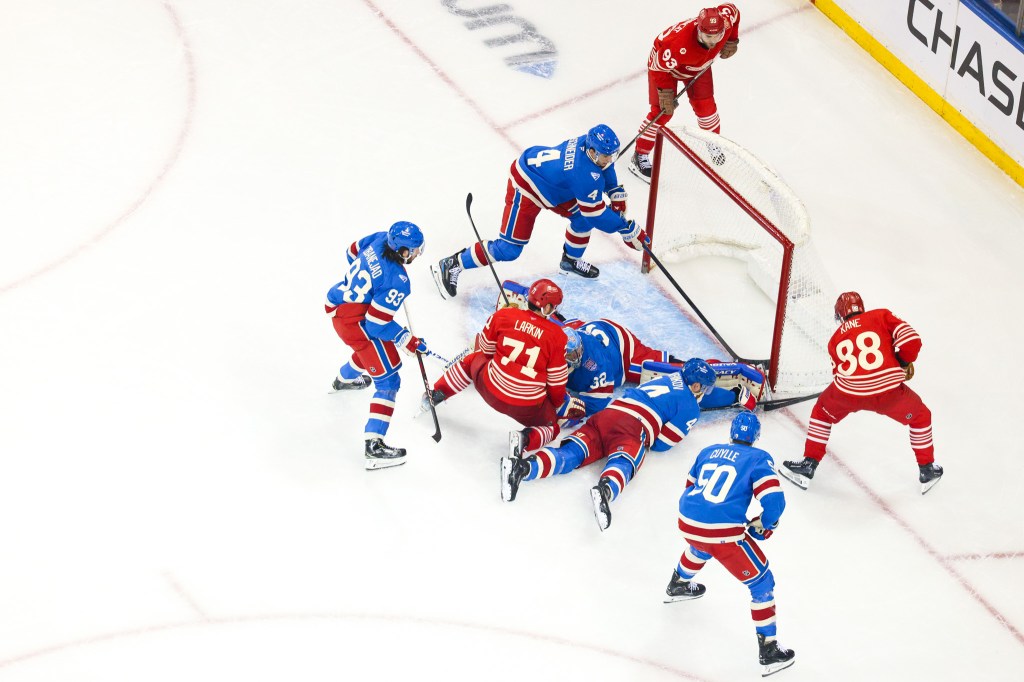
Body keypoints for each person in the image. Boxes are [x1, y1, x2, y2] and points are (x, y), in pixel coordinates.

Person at [500, 359, 718, 532]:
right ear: (696, 385)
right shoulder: (691, 407)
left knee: (571, 452)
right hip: (633, 426)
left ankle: (522, 468)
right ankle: (605, 490)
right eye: (705, 389)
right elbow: (662, 444)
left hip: (607, 415)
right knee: (624, 462)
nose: (704, 393)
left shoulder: (667, 377)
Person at [432, 124, 649, 295]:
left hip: (554, 187)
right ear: (592, 152)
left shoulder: (590, 145)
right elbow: (596, 214)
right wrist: (626, 228)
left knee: (582, 219)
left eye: (612, 155)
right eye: (606, 156)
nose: (610, 160)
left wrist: (614, 190)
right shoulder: (582, 174)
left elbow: (606, 167)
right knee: (509, 250)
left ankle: (570, 261)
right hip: (527, 185)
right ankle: (452, 264)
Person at [665, 412, 796, 677]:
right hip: (722, 533)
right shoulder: (759, 458)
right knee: (762, 582)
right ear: (756, 437)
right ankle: (769, 650)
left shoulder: (708, 451)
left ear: (731, 433)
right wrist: (766, 524)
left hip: (687, 520)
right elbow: (774, 502)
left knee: (702, 545)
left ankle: (678, 583)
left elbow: (690, 486)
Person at [779, 292, 942, 494]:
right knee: (921, 417)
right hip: (888, 391)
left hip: (849, 393)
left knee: (821, 413)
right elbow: (912, 340)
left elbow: (839, 373)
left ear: (839, 315)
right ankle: (927, 469)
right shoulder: (880, 316)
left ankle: (808, 465)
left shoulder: (834, 339)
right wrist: (902, 361)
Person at [424, 279, 586, 452]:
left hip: (489, 388)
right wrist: (554, 405)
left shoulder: (504, 315)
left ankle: (437, 393)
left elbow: (485, 349)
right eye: (553, 306)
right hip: (527, 407)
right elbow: (556, 383)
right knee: (551, 427)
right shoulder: (558, 336)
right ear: (546, 308)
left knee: (472, 359)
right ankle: (524, 440)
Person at [325, 221, 429, 470]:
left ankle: (343, 380)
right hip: (357, 323)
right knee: (389, 380)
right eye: (415, 249)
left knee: (369, 353)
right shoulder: (398, 280)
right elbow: (375, 325)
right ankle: (374, 447)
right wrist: (407, 339)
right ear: (403, 251)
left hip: (337, 305)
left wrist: (373, 282)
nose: (418, 253)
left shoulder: (380, 238)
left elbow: (351, 252)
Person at [628, 4, 741, 183]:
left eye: (718, 36)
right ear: (699, 30)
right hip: (665, 70)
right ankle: (639, 154)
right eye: (708, 36)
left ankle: (711, 140)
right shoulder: (676, 45)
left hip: (698, 66)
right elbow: (657, 67)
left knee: (706, 108)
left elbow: (734, 10)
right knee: (662, 113)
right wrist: (665, 92)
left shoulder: (725, 21)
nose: (713, 42)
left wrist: (732, 39)